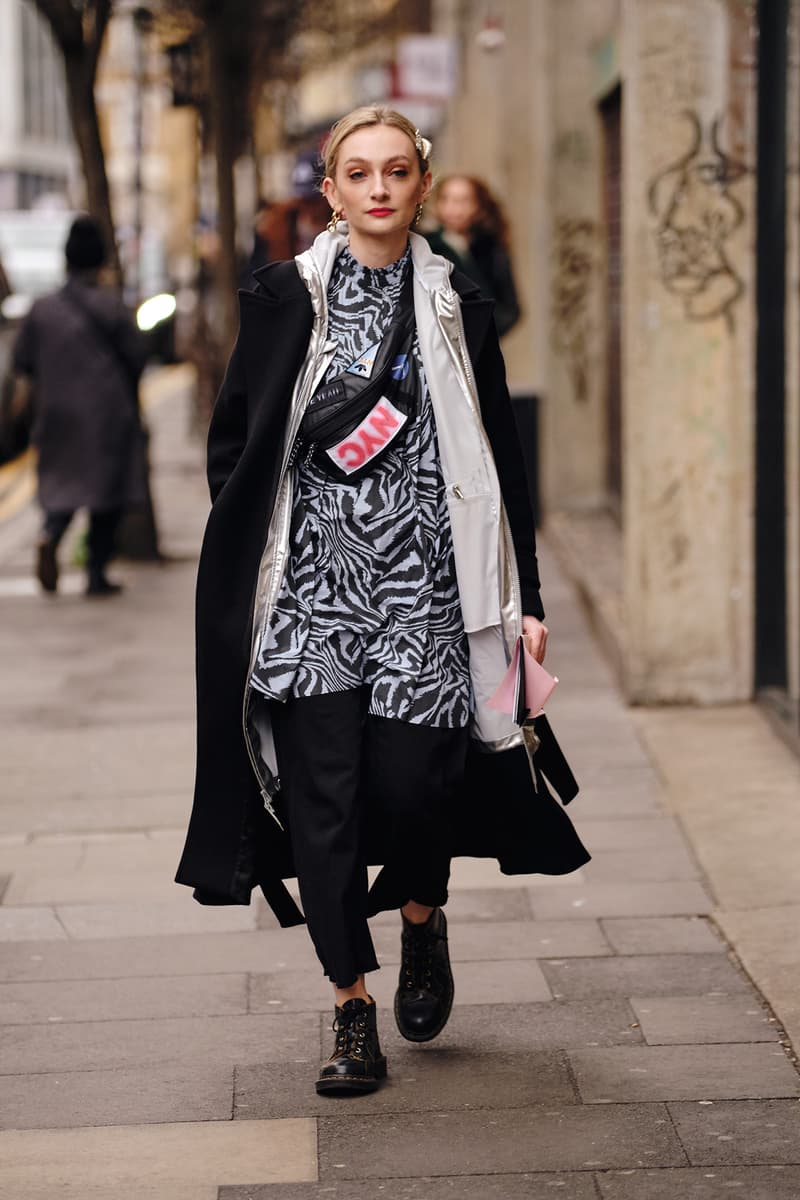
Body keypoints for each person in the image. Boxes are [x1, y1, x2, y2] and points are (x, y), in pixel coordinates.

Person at [175, 106, 588, 1097]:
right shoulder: (283, 295)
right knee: (321, 808)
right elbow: (231, 442)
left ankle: (418, 913)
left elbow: (499, 461)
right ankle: (349, 1008)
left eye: (394, 171)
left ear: (416, 181)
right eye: (355, 173)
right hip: (311, 603)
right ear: (328, 189)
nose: (376, 189)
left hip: (426, 601)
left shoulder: (458, 302)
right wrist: (249, 557)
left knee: (414, 791)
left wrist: (521, 594)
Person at [12, 215, 146, 597]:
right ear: (100, 260)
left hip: (56, 413)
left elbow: (22, 361)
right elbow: (137, 358)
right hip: (106, 414)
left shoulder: (41, 310)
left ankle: (50, 534)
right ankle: (95, 575)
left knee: (63, 489)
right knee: (106, 496)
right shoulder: (111, 306)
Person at [425, 174, 521, 337]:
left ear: (478, 206)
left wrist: (484, 334)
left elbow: (510, 308)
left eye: (462, 201)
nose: (453, 208)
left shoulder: (490, 249)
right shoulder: (428, 246)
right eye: (446, 199)